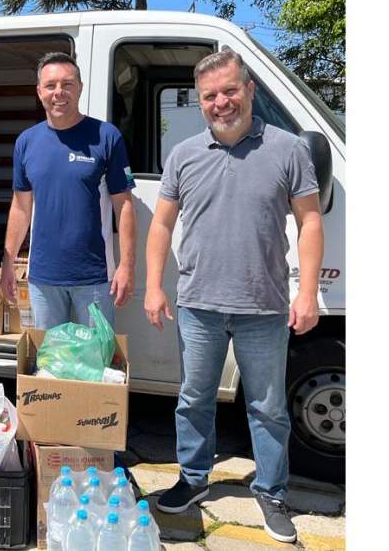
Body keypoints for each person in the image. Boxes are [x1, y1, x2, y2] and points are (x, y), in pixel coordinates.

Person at [144, 48, 324, 544]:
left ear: (249, 90)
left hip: (262, 306)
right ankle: (194, 479)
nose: (220, 102)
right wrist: (155, 286)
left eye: (229, 91)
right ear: (199, 102)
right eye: (209, 96)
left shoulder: (289, 150)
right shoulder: (183, 154)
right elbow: (161, 224)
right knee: (193, 399)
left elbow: (310, 222)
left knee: (268, 407)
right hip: (198, 303)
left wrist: (307, 293)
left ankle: (271, 491)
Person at [0, 52, 136, 329]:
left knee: (96, 364)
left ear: (80, 88)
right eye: (50, 85)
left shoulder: (107, 137)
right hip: (43, 278)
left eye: (67, 84)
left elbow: (124, 206)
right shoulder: (26, 142)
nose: (58, 93)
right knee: (51, 364)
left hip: (95, 277)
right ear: (39, 92)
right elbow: (20, 206)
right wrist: (7, 262)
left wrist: (127, 265)